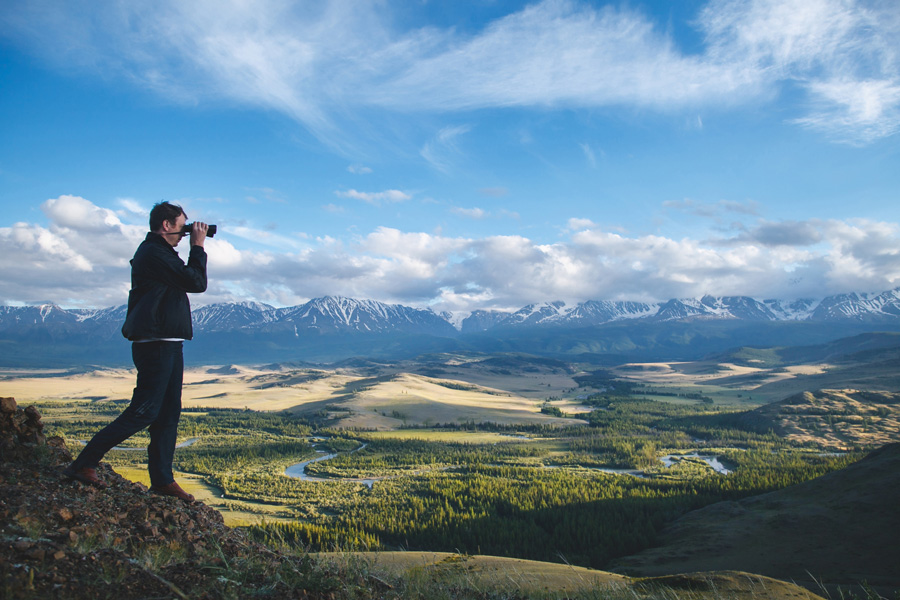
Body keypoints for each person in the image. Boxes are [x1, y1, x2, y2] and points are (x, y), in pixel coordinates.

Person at [63, 201, 208, 502]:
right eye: (182, 225)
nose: (185, 231)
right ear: (166, 225)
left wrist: (190, 245)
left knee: (168, 414)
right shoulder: (153, 253)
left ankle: (163, 481)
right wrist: (198, 246)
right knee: (144, 412)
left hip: (168, 342)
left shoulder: (162, 254)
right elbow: (196, 282)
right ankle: (84, 463)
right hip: (155, 345)